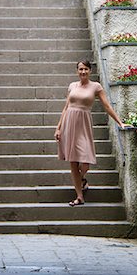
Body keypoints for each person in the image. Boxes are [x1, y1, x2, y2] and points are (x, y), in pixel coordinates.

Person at [54, 59, 128, 207]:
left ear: (90, 71)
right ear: (77, 71)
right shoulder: (72, 86)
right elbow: (66, 107)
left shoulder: (96, 87)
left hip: (83, 124)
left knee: (85, 163)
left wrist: (120, 122)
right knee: (73, 161)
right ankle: (79, 196)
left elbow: (107, 106)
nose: (83, 72)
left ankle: (81, 179)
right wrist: (58, 127)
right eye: (80, 69)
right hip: (69, 123)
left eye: (86, 69)